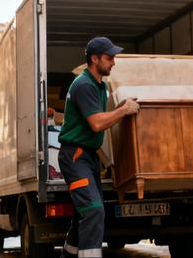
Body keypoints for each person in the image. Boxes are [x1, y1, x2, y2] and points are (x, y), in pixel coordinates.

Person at [58, 36, 140, 258]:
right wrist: (123, 111)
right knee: (93, 211)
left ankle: (68, 254)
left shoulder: (99, 86)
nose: (113, 61)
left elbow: (101, 117)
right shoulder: (84, 85)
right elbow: (97, 123)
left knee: (82, 213)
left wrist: (121, 106)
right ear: (94, 59)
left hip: (87, 157)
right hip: (75, 157)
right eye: (109, 57)